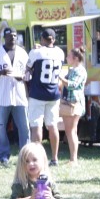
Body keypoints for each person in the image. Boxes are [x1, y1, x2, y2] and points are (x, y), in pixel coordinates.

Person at [0, 26, 29, 165]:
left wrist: (24, 77)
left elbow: (28, 73)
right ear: (4, 37)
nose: (12, 38)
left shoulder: (22, 53)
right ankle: (3, 156)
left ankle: (26, 155)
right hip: (1, 96)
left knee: (24, 126)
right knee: (0, 127)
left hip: (19, 95)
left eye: (14, 36)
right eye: (9, 36)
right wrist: (1, 72)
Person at [26, 27, 65, 166]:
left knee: (36, 126)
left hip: (37, 94)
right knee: (52, 126)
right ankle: (54, 158)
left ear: (42, 39)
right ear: (54, 40)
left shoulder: (36, 52)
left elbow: (27, 70)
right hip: (53, 94)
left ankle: (38, 158)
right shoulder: (60, 53)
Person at [57, 47, 87, 163]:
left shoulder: (80, 71)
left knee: (71, 131)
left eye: (69, 56)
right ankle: (72, 158)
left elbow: (72, 85)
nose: (67, 58)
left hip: (74, 104)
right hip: (69, 103)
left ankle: (73, 159)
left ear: (75, 59)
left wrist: (60, 77)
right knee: (70, 131)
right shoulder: (72, 70)